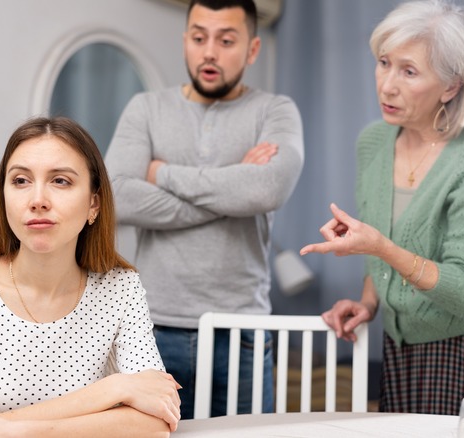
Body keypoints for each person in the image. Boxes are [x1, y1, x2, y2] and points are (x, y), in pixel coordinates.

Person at [299, 0, 464, 422]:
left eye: (408, 71)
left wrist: (380, 247)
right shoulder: (374, 142)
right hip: (401, 348)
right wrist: (369, 303)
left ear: (451, 85)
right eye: (383, 63)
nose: (386, 85)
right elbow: (382, 244)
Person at [104, 0, 304, 419]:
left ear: (252, 50)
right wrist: (234, 186)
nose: (209, 51)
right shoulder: (146, 108)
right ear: (185, 43)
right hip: (153, 329)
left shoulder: (275, 111)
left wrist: (162, 173)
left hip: (243, 333)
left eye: (226, 40)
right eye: (199, 38)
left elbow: (266, 189)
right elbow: (117, 196)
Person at [0, 117, 181, 437]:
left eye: (60, 181)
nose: (38, 200)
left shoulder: (121, 288)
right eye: (20, 181)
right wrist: (112, 390)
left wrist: (14, 431)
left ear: (93, 204)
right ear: (2, 196)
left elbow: (156, 421)